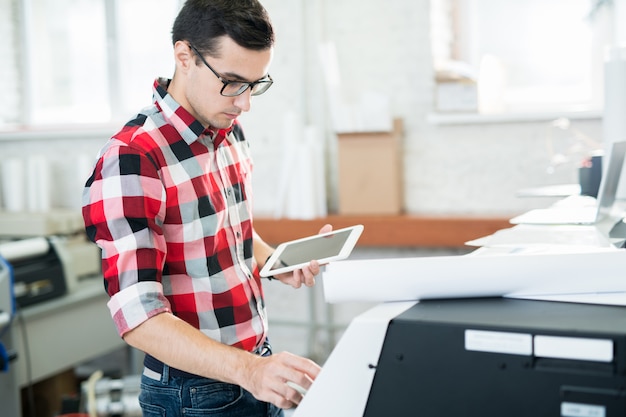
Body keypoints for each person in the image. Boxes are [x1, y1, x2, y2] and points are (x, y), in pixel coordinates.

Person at [82, 1, 330, 416]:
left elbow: (225, 234)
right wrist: (250, 371)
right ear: (184, 57)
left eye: (254, 83)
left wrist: (276, 262)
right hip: (191, 394)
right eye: (232, 82)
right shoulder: (133, 157)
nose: (245, 102)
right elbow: (139, 317)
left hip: (252, 367)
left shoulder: (228, 132)